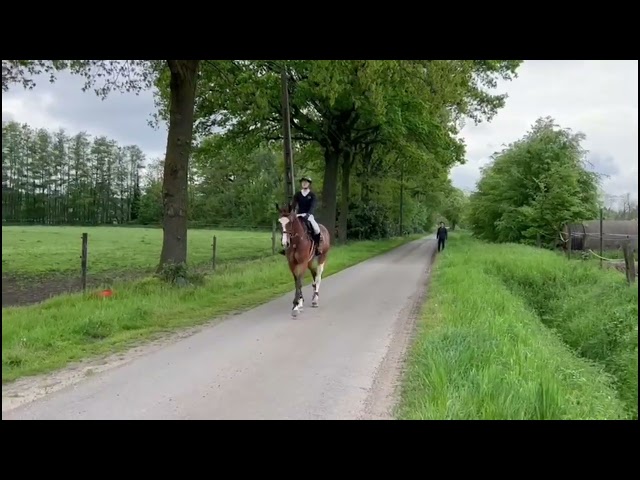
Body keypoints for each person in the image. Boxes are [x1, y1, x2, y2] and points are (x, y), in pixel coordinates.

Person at [280, 176, 323, 254]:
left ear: (309, 184)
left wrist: (309, 214)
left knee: (316, 229)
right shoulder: (298, 194)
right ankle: (286, 246)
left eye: (306, 182)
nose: (304, 183)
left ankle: (318, 246)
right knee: (288, 227)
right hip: (298, 215)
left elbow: (313, 206)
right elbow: (293, 205)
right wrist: (289, 211)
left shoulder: (312, 195)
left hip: (308, 215)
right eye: (303, 182)